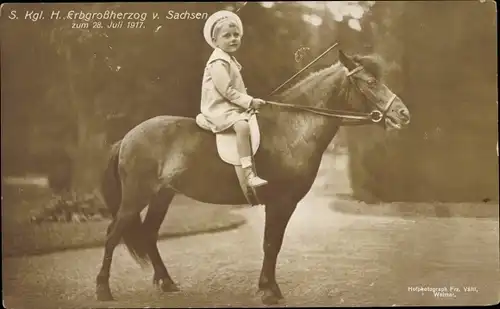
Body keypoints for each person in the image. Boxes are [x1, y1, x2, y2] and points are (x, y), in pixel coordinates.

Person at [200, 10, 268, 188]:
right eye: (227, 36)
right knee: (242, 126)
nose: (233, 39)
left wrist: (249, 103)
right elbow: (227, 91)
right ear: (215, 41)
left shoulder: (228, 59)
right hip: (218, 107)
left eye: (236, 35)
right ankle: (248, 173)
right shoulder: (217, 62)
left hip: (229, 105)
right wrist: (250, 102)